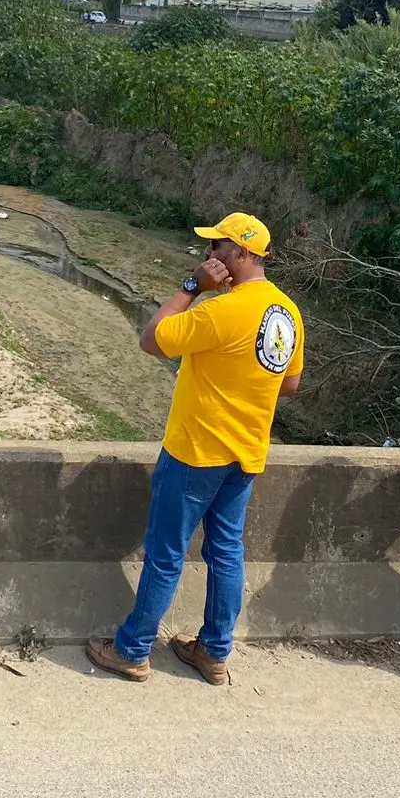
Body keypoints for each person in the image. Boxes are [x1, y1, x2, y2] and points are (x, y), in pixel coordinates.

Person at [87, 212, 304, 686]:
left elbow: (151, 339)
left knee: (166, 553)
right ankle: (213, 653)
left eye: (217, 248)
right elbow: (289, 384)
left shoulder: (218, 310)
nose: (209, 256)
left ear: (242, 254)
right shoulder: (286, 313)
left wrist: (192, 285)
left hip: (197, 450)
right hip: (245, 453)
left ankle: (131, 649)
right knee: (226, 551)